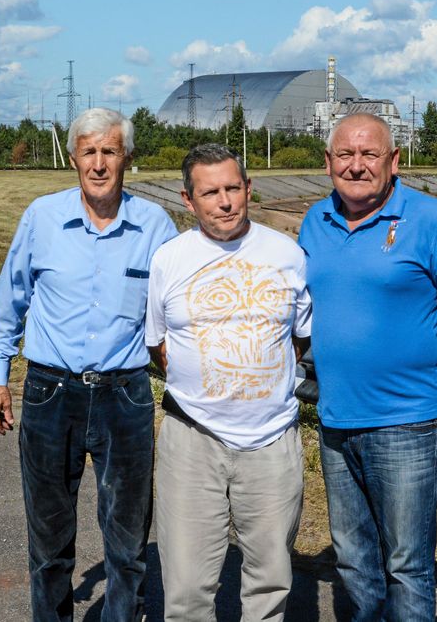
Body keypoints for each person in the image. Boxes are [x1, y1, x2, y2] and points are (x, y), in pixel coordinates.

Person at [0, 107, 177, 622]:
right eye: (88, 151)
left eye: (109, 151)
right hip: (50, 393)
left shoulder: (156, 226)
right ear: (73, 158)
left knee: (128, 541)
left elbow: (177, 307)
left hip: (126, 395)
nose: (98, 163)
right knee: (49, 543)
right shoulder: (41, 218)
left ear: (126, 159)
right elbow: (10, 300)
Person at [297, 113, 437, 621]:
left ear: (394, 162)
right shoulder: (314, 222)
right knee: (355, 562)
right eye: (345, 155)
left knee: (407, 566)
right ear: (327, 162)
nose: (356, 166)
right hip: (336, 421)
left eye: (369, 155)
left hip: (405, 424)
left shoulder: (430, 220)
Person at [145, 143, 311, 621]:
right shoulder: (168, 260)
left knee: (270, 583)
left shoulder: (288, 254)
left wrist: (255, 380)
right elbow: (160, 347)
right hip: (192, 440)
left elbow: (298, 339)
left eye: (233, 188)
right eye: (211, 192)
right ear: (187, 199)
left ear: (249, 189)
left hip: (273, 442)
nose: (225, 202)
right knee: (187, 588)